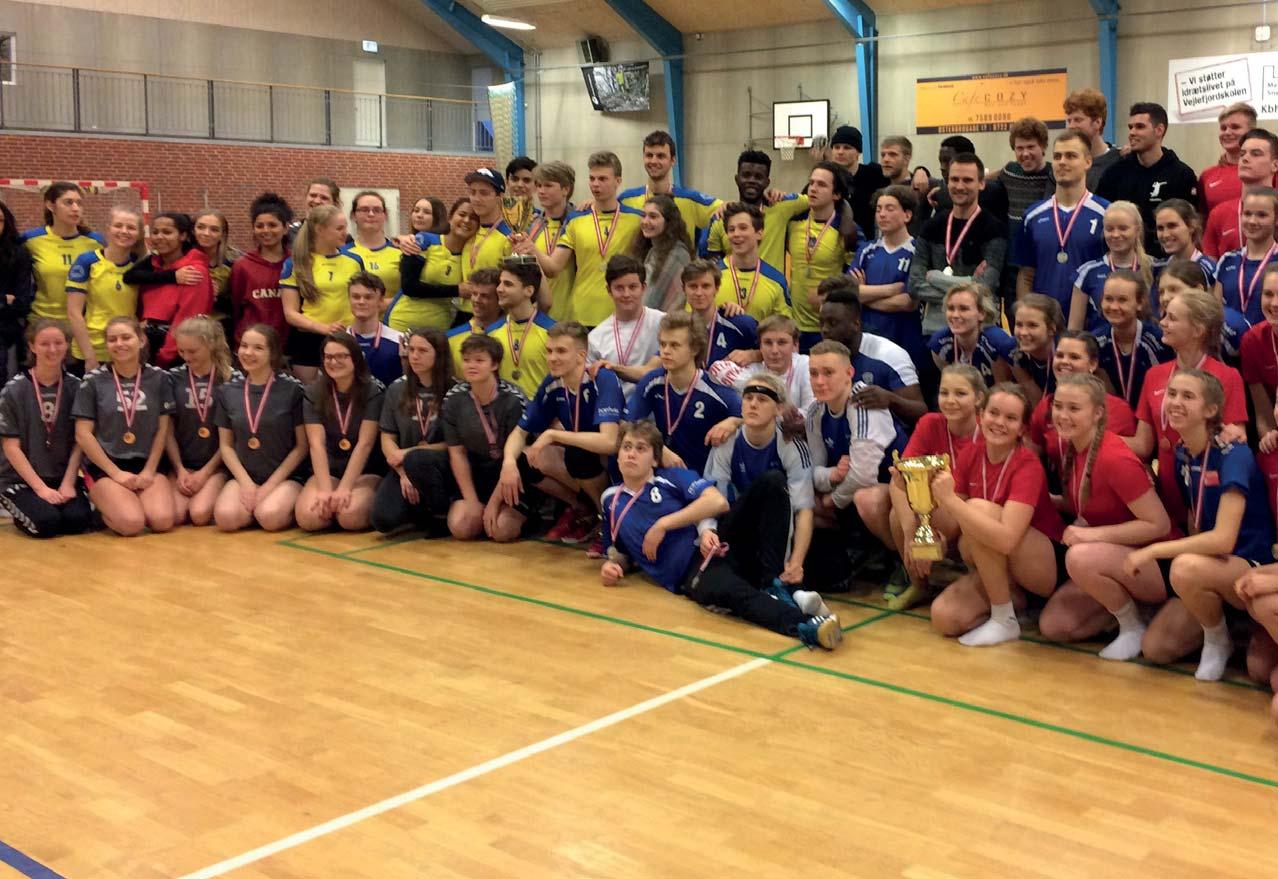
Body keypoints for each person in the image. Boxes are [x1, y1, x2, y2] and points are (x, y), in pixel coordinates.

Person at [600, 419, 843, 649]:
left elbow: (717, 502)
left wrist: (663, 524)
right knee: (735, 593)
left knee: (772, 482)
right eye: (626, 447)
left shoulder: (671, 478)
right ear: (618, 455)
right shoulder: (610, 500)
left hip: (717, 542)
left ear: (655, 459)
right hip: (692, 571)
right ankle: (805, 625)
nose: (631, 454)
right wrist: (612, 566)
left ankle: (773, 583)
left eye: (640, 448)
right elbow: (620, 552)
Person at [1125, 369, 1275, 679]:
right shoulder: (1183, 453)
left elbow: (1223, 540)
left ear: (1211, 410)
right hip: (1213, 567)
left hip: (1251, 563)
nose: (1175, 402)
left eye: (1188, 396)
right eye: (1172, 394)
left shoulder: (1234, 455)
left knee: (1184, 567)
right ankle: (1218, 632)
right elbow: (1196, 519)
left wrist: (1152, 551)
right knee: (1155, 648)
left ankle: (1224, 637)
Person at [1038, 373, 1173, 658]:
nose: (1062, 415)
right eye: (1058, 406)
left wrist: (1090, 535)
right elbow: (1087, 503)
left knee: (1078, 557)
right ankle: (1137, 610)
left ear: (1098, 413)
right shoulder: (1077, 448)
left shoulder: (1114, 457)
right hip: (1114, 557)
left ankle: (1132, 625)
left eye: (1074, 408)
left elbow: (1159, 524)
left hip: (1155, 560)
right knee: (1054, 626)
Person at [929, 382, 1065, 646]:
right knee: (944, 617)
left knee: (976, 511)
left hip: (1042, 566)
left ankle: (1004, 619)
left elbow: (1007, 540)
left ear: (1022, 428)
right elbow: (951, 523)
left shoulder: (1027, 464)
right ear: (981, 416)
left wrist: (951, 501)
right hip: (1000, 567)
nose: (1000, 422)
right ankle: (1016, 605)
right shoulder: (971, 453)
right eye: (994, 413)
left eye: (1011, 418)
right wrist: (923, 501)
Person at [701, 372, 835, 623]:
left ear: (779, 409)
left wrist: (795, 563)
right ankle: (786, 592)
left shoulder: (792, 446)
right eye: (748, 398)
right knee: (771, 482)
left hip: (774, 534)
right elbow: (710, 498)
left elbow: (803, 511)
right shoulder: (727, 441)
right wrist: (706, 531)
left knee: (776, 488)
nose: (753, 404)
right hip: (737, 528)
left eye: (762, 400)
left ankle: (784, 587)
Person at [502, 321, 624, 550]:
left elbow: (609, 442)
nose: (552, 358)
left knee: (578, 455)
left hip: (615, 462)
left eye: (561, 351)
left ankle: (608, 521)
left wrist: (553, 435)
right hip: (585, 457)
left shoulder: (602, 379)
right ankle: (583, 511)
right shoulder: (553, 383)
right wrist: (508, 462)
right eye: (549, 351)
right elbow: (519, 432)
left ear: (581, 356)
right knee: (525, 460)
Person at [1133, 287, 1248, 527]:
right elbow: (1143, 444)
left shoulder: (1226, 376)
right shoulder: (1155, 375)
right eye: (1165, 316)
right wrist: (1098, 437)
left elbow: (1235, 436)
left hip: (1205, 488)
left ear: (1197, 330)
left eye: (1172, 318)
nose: (1163, 323)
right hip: (1165, 490)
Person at [883, 364, 984, 609]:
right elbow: (899, 481)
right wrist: (910, 533)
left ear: (979, 398)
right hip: (939, 509)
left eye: (961, 394)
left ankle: (978, 583)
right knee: (899, 515)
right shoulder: (930, 423)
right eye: (944, 393)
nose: (950, 400)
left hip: (971, 513)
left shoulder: (988, 429)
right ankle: (919, 584)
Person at [805, 338, 902, 583]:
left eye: (828, 373)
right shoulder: (815, 411)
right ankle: (857, 547)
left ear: (849, 373)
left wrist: (831, 499)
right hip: (850, 487)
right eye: (814, 373)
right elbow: (813, 470)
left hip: (893, 490)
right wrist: (830, 477)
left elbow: (863, 475)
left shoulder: (863, 404)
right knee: (802, 501)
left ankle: (900, 557)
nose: (819, 381)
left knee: (866, 499)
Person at [72, 316, 176, 536]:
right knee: (131, 524)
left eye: (126, 337)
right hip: (108, 466)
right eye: (112, 340)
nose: (119, 344)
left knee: (162, 521)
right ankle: (101, 504)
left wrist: (150, 470)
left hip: (147, 464)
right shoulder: (92, 381)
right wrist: (116, 473)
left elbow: (163, 429)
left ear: (141, 340)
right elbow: (83, 435)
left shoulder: (159, 378)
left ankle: (126, 501)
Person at [422, 334, 530, 542]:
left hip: (509, 472)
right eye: (466, 360)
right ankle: (475, 509)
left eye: (479, 360)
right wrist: (471, 501)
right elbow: (457, 452)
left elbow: (517, 454)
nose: (471, 365)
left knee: (501, 532)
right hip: (477, 471)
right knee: (461, 528)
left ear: (494, 364)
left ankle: (523, 516)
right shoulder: (454, 398)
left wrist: (494, 504)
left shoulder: (513, 399)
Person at [521, 152, 643, 329]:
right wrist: (531, 248)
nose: (596, 184)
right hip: (581, 314)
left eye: (602, 179)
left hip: (622, 311)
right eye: (592, 178)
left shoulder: (637, 219)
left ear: (618, 181)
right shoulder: (575, 220)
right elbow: (553, 268)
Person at [212, 324, 308, 532]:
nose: (248, 353)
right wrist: (246, 483)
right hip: (245, 476)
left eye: (258, 348)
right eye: (244, 346)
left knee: (269, 517)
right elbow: (226, 446)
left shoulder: (292, 389)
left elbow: (302, 446)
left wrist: (270, 486)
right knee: (226, 519)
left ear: (273, 353)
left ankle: (281, 504)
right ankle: (254, 507)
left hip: (285, 477)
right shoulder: (227, 391)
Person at [0, 319, 92, 537]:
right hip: (20, 480)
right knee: (47, 523)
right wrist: (40, 489)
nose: (52, 349)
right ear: (32, 347)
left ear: (67, 345)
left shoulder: (77, 387)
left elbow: (80, 441)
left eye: (58, 343)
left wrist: (69, 482)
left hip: (60, 476)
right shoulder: (14, 390)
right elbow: (11, 447)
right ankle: (12, 500)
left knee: (77, 521)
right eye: (44, 344)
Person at [627, 311, 742, 474]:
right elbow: (627, 425)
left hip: (703, 477)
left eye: (674, 345)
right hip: (662, 472)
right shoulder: (653, 382)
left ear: (694, 348)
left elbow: (750, 415)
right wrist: (658, 447)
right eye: (663, 344)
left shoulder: (714, 389)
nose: (665, 351)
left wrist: (733, 421)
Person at [909, 152, 1007, 336]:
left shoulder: (994, 229)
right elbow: (914, 285)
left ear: (981, 183)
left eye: (967, 180)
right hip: (935, 332)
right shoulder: (931, 226)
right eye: (954, 179)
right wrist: (970, 284)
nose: (959, 186)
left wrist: (935, 278)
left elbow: (986, 287)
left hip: (979, 332)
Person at [295, 333, 384, 532]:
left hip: (365, 471)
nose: (333, 362)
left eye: (341, 356)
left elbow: (365, 444)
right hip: (329, 469)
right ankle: (331, 502)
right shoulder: (313, 392)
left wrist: (345, 488)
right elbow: (316, 444)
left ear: (355, 358)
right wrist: (325, 489)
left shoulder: (373, 391)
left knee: (350, 517)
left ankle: (359, 500)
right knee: (308, 518)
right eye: (328, 357)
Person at [1015, 130, 1109, 317]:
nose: (1062, 162)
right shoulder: (1032, 215)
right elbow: (1026, 275)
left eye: (1071, 156)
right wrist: (1026, 316)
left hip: (1092, 321)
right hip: (1045, 321)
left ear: (1088, 162)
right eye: (1057, 157)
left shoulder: (1106, 214)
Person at [371, 327, 453, 534]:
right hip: (404, 466)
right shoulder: (396, 389)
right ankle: (419, 510)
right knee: (382, 520)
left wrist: (409, 454)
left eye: (422, 351)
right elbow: (387, 437)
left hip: (443, 466)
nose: (414, 356)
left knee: (419, 460)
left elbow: (456, 445)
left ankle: (442, 513)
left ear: (439, 354)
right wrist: (402, 472)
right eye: (412, 349)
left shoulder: (454, 390)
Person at [1025, 329, 1138, 471]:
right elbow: (1032, 451)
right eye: (1059, 355)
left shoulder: (1117, 409)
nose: (1064, 361)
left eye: (1074, 357)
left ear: (1093, 364)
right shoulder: (1046, 406)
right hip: (1067, 484)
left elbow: (1135, 459)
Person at [1095, 102, 1198, 257]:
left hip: (1167, 263)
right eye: (1130, 127)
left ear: (1159, 130)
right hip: (1124, 263)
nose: (1132, 132)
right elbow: (1100, 218)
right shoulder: (1114, 173)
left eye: (1140, 127)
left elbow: (1190, 227)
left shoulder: (1181, 175)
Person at [819, 280, 927, 425]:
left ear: (856, 324)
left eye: (833, 323)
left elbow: (921, 413)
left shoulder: (889, 355)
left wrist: (891, 400)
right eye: (821, 323)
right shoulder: (821, 357)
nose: (825, 330)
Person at [279, 204, 365, 381]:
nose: (345, 233)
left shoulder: (354, 261)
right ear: (319, 230)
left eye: (345, 227)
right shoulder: (296, 263)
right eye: (339, 228)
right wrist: (324, 328)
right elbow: (290, 313)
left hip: (346, 337)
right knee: (310, 394)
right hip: (308, 340)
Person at [165, 316, 234, 526]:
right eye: (181, 351)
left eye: (193, 351)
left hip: (217, 466)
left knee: (199, 514)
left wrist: (205, 473)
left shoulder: (232, 381)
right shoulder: (172, 378)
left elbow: (233, 437)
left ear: (211, 344)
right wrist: (179, 469)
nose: (186, 357)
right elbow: (167, 432)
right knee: (175, 516)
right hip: (182, 465)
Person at [788, 161, 861, 350]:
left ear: (836, 194)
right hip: (794, 326)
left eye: (821, 185)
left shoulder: (847, 231)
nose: (813, 188)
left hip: (828, 327)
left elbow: (854, 278)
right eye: (811, 182)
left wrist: (830, 295)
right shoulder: (793, 223)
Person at [129, 212, 214, 368]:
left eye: (167, 232)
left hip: (177, 354)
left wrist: (164, 357)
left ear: (183, 236)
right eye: (155, 232)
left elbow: (188, 319)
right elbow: (129, 278)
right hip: (145, 348)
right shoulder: (151, 267)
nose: (159, 237)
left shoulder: (194, 271)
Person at [64, 206, 144, 373]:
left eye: (131, 227)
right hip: (92, 349)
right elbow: (74, 312)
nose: (124, 231)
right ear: (108, 229)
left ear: (139, 234)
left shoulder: (140, 265)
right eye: (118, 225)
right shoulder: (87, 261)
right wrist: (89, 356)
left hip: (127, 348)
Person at [854, 185, 924, 370]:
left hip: (905, 339)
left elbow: (908, 302)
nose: (882, 214)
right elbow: (852, 292)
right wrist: (891, 289)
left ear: (907, 215)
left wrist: (866, 296)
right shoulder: (866, 251)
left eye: (889, 208)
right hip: (869, 337)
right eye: (878, 209)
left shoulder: (918, 252)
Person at [701, 150, 808, 270]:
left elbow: (817, 197)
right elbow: (712, 266)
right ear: (737, 179)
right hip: (733, 282)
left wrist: (783, 195)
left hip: (772, 282)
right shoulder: (721, 217)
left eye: (758, 177)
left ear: (767, 182)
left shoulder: (782, 208)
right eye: (746, 175)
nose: (752, 180)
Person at [992, 117, 1056, 311]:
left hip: (1045, 266)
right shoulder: (1009, 171)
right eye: (1019, 148)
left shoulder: (1054, 174)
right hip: (1013, 266)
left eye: (1031, 147)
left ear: (1043, 147)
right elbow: (979, 180)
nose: (1025, 153)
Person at [619, 130, 720, 249]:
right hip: (639, 260)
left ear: (673, 160)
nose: (654, 161)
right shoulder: (626, 199)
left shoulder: (690, 199)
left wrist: (727, 204)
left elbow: (725, 209)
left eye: (660, 156)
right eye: (649, 155)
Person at [391, 197, 477, 334]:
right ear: (450, 217)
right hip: (403, 323)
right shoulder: (424, 240)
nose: (466, 220)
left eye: (473, 218)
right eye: (462, 214)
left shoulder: (470, 255)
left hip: (439, 330)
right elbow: (409, 286)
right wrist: (456, 290)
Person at [22, 182, 104, 323]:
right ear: (50, 205)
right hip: (42, 322)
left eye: (79, 203)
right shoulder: (30, 240)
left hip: (83, 322)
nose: (75, 208)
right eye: (68, 202)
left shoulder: (96, 242)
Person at [1068, 200, 1155, 332]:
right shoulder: (1087, 273)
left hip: (1148, 344)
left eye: (1123, 228)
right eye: (1109, 229)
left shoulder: (1156, 268)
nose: (1115, 235)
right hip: (1100, 344)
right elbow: (1074, 330)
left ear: (1137, 230)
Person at [587, 255, 664, 394]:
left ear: (643, 288)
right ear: (609, 291)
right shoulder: (595, 338)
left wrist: (616, 368)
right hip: (612, 406)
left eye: (632, 287)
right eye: (619, 288)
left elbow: (653, 371)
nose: (626, 294)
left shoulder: (663, 323)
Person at [709, 314, 814, 415]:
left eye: (782, 343)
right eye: (768, 343)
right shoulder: (754, 366)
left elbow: (811, 412)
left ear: (795, 345)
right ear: (760, 346)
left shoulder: (805, 364)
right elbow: (717, 368)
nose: (774, 350)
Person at [1161, 257, 1250, 369]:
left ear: (1198, 289)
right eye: (1161, 292)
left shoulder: (1231, 325)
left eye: (1174, 289)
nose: (1165, 297)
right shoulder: (1165, 327)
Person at [1202, 127, 1278, 258]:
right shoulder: (1219, 213)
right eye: (1242, 154)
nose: (1245, 159)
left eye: (1256, 154)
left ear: (1275, 165)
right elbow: (1209, 266)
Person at [229, 193, 292, 346]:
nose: (265, 230)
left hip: (286, 347)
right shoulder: (242, 266)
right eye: (259, 226)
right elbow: (235, 309)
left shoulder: (297, 264)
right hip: (251, 346)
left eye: (272, 225)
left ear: (285, 228)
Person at [1241, 264, 1278, 520]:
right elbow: (1262, 410)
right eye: (1268, 294)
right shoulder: (1253, 341)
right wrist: (1268, 436)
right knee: (1267, 458)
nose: (1274, 303)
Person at [489, 258, 556, 397]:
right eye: (500, 283)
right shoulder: (491, 333)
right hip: (504, 409)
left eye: (508, 284)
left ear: (529, 291)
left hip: (541, 409)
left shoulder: (552, 332)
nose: (499, 289)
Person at [714, 202, 790, 322]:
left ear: (759, 233)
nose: (736, 234)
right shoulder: (712, 275)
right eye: (731, 229)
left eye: (743, 228)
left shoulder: (776, 281)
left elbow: (785, 327)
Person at [928, 283, 1015, 387]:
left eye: (963, 309)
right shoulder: (939, 342)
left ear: (982, 313)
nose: (955, 315)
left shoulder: (995, 342)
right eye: (951, 308)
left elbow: (1002, 390)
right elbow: (952, 386)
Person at [1213, 187, 1278, 325]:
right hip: (1230, 338)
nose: (1252, 221)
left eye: (1262, 215)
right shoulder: (1227, 260)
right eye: (1247, 214)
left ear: (1276, 219)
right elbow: (1216, 311)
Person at [458, 168, 514, 325]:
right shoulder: (468, 231)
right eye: (472, 192)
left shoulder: (509, 236)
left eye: (483, 193)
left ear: (499, 198)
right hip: (464, 314)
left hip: (494, 317)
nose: (476, 199)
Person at [682, 260, 757, 367]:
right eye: (693, 286)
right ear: (684, 289)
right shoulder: (679, 328)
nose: (699, 293)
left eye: (706, 286)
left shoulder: (740, 323)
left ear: (716, 288)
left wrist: (753, 355)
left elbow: (776, 350)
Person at [1151, 199, 1216, 320]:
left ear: (1191, 226)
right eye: (1160, 228)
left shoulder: (1209, 269)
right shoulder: (1157, 267)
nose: (1165, 234)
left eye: (1172, 226)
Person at [529, 162, 576, 321]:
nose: (541, 191)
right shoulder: (533, 223)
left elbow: (553, 269)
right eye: (538, 185)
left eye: (548, 185)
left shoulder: (577, 221)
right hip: (536, 314)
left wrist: (530, 247)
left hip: (569, 315)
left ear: (565, 189)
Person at [1200, 103, 1261, 218]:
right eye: (1223, 128)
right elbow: (1202, 219)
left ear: (1252, 132)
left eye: (1235, 127)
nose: (1227, 132)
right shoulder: (1207, 176)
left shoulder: (1268, 172)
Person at [632, 193, 692, 311]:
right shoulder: (651, 250)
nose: (645, 221)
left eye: (653, 217)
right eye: (643, 216)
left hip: (664, 320)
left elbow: (652, 301)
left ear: (669, 221)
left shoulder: (677, 254)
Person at [829, 125, 890, 238]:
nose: (840, 152)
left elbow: (901, 178)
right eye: (836, 147)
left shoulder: (874, 173)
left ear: (858, 152)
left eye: (847, 148)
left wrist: (920, 171)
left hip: (866, 243)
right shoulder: (824, 178)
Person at [345, 272, 403, 386]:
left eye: (368, 297)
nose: (361, 302)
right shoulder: (338, 341)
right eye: (356, 297)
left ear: (381, 301)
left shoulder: (399, 340)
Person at [0, 200, 34, 385]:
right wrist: (4, 299)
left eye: (0, 220)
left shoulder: (18, 254)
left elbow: (22, 303)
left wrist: (9, 303)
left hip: (6, 332)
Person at [344, 191, 401, 299]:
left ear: (385, 215)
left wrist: (384, 304)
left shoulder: (401, 252)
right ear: (353, 215)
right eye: (364, 210)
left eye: (377, 210)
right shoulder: (343, 253)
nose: (371, 214)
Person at [1009, 293, 1062, 406]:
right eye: (1019, 325)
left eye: (1032, 325)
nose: (1023, 332)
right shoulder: (1012, 351)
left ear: (1051, 329)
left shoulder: (1064, 359)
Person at [1063, 87, 1122, 188]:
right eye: (1069, 121)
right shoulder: (1064, 164)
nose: (1071, 126)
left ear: (1097, 122)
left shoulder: (1119, 162)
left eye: (1078, 120)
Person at [445, 267, 502, 373]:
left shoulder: (509, 333)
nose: (477, 300)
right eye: (474, 294)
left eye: (484, 296)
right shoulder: (451, 338)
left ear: (500, 299)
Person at [286, 177, 341, 245]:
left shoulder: (342, 238)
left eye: (324, 198)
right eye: (313, 195)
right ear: (305, 197)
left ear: (335, 204)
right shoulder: (288, 234)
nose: (317, 201)